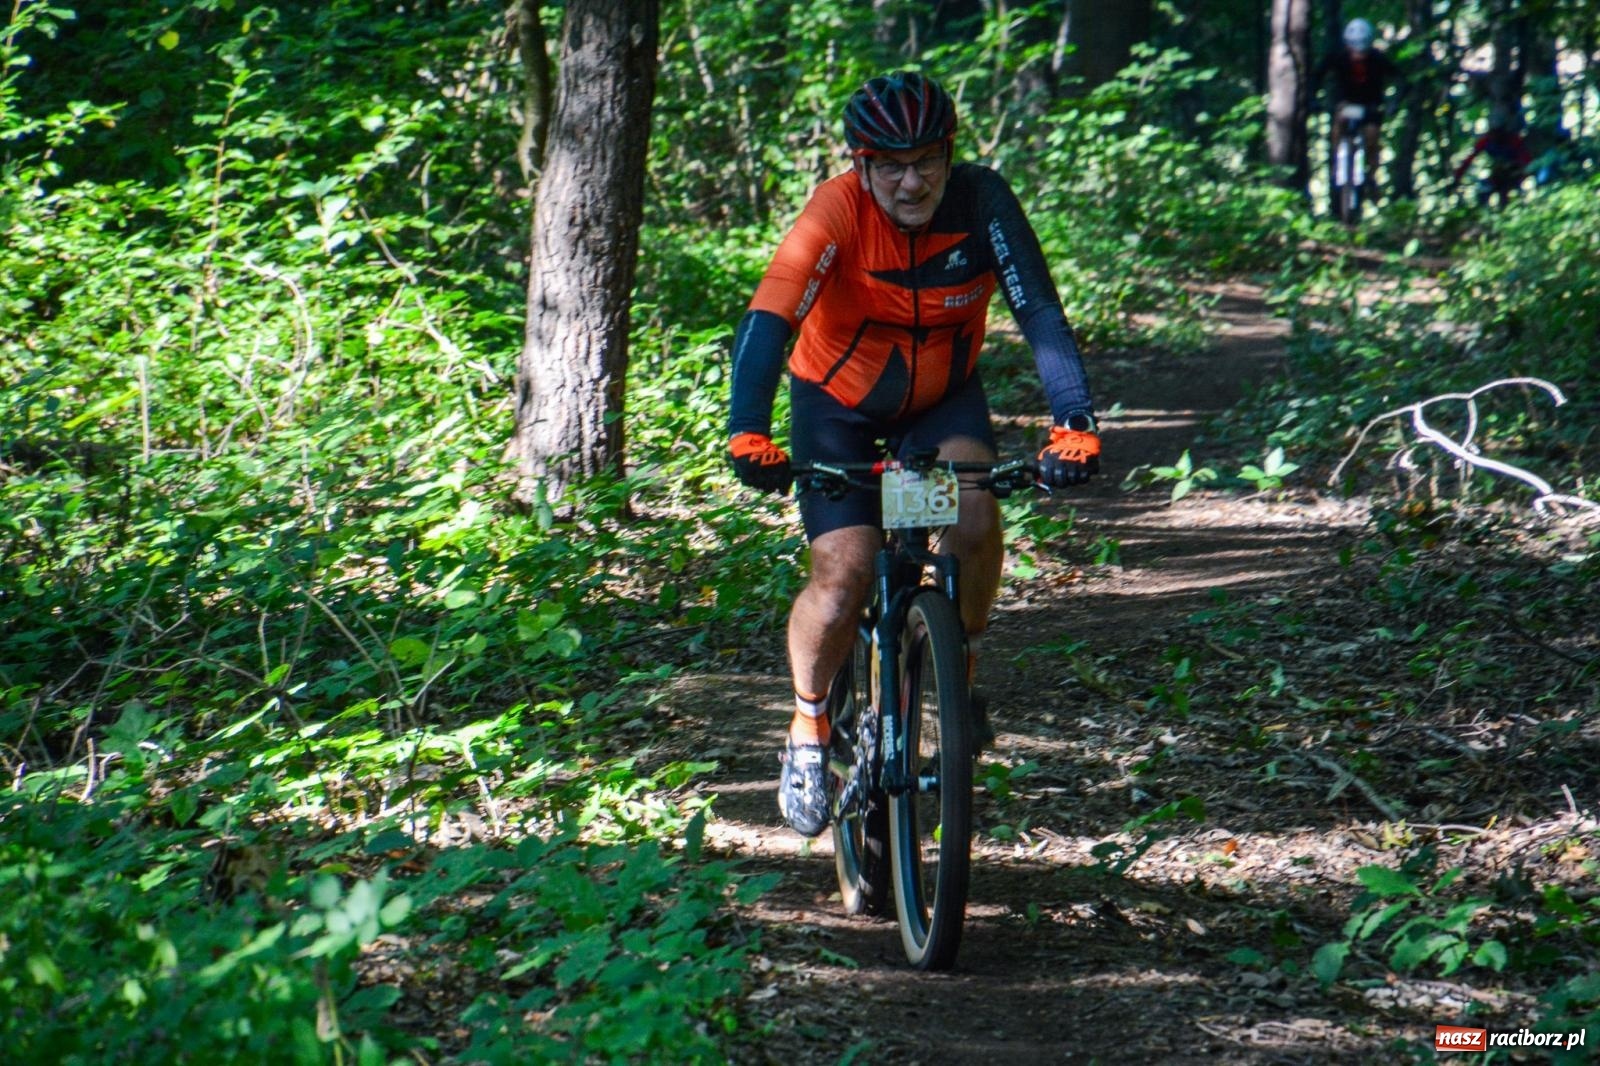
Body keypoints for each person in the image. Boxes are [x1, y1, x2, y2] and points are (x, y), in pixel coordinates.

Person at [724, 71, 1101, 837]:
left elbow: (1039, 310)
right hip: (837, 408)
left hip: (940, 403)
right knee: (844, 575)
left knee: (972, 516)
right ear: (861, 164)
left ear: (949, 154)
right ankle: (807, 727)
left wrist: (1075, 420)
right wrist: (747, 429)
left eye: (927, 160)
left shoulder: (981, 201)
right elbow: (770, 319)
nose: (910, 180)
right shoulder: (836, 210)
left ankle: (957, 677)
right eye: (889, 164)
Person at [1314, 18, 1407, 206]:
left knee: (1372, 136)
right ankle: (1336, 162)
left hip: (1370, 106)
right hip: (1346, 104)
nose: (1359, 54)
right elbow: (1317, 76)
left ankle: (1372, 177)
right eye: (1355, 48)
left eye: (1362, 49)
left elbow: (1401, 79)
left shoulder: (1378, 58)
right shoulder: (1338, 57)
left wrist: (1394, 103)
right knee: (1340, 119)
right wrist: (1313, 100)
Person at [1453, 116, 1533, 208]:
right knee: (1484, 190)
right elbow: (1469, 159)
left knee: (1510, 189)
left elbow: (1526, 157)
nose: (1495, 135)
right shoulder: (1486, 141)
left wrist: (1523, 171)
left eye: (1498, 131)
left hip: (1515, 172)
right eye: (1493, 131)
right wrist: (1458, 176)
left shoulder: (1513, 139)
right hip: (1498, 173)